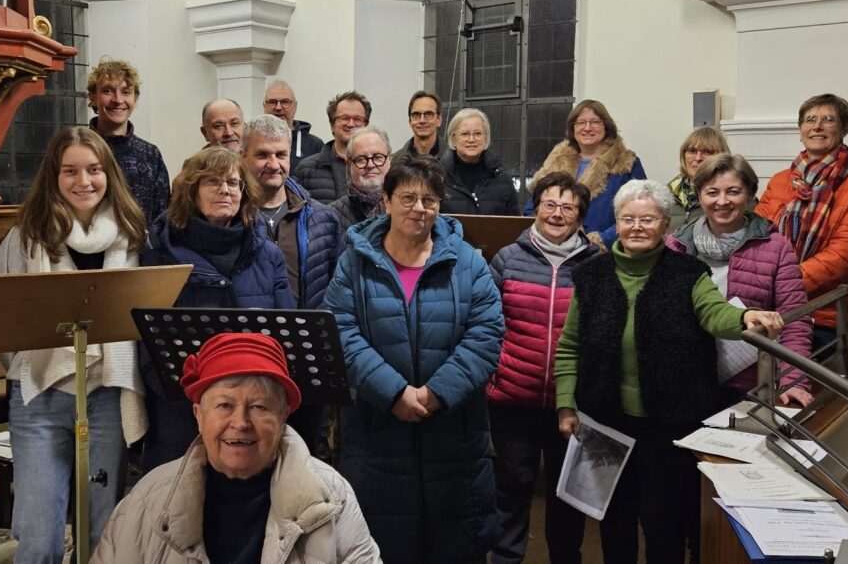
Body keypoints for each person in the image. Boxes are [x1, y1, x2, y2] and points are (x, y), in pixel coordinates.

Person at [553, 180, 785, 564]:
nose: (637, 227)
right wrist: (565, 404)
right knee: (614, 520)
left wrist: (745, 317)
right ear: (617, 223)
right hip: (606, 421)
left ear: (665, 224)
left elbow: (715, 312)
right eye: (628, 219)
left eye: (648, 218)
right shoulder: (591, 275)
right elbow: (570, 346)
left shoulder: (687, 272)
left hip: (669, 425)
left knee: (665, 525)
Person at [324, 155, 505, 564]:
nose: (419, 208)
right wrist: (393, 393)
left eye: (429, 199)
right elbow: (341, 331)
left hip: (454, 433)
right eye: (407, 197)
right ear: (385, 201)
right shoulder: (354, 262)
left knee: (455, 544)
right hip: (376, 433)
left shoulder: (468, 261)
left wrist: (437, 394)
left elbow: (487, 334)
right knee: (384, 546)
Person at [0, 127, 148, 562]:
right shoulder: (26, 235)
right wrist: (30, 363)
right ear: (53, 177)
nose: (84, 181)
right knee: (38, 535)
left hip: (106, 393)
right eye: (70, 171)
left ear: (108, 174)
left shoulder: (130, 232)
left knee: (104, 528)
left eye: (94, 170)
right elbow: (4, 323)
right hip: (42, 394)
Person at [90, 333, 382, 563]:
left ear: (283, 418)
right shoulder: (148, 499)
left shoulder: (331, 497)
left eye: (259, 407)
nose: (240, 422)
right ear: (198, 415)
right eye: (224, 405)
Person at [140, 146, 296, 471]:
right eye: (213, 181)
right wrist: (184, 393)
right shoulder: (160, 253)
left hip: (251, 407)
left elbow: (286, 334)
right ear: (191, 191)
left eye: (234, 183)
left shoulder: (267, 254)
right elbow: (147, 340)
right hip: (181, 405)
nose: (226, 190)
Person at [487, 172, 598, 564]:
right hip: (513, 398)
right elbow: (488, 324)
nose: (557, 213)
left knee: (566, 495)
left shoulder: (596, 265)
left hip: (571, 405)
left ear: (581, 216)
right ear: (535, 209)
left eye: (568, 207)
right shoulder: (508, 258)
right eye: (549, 204)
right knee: (511, 488)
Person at [666, 153, 814, 407]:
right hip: (685, 379)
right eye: (712, 192)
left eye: (733, 192)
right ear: (699, 195)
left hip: (750, 384)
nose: (722, 201)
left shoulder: (776, 247)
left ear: (749, 194)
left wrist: (794, 380)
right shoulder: (677, 244)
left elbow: (794, 320)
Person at [240, 114, 345, 455]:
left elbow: (337, 291)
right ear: (243, 156)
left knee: (305, 460)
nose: (274, 164)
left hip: (304, 365)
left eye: (281, 155)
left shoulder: (323, 218)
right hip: (248, 365)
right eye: (262, 155)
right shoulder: (228, 219)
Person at [754, 93, 848, 357]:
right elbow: (756, 236)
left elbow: (845, 256)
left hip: (820, 314)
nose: (817, 126)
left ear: (844, 128)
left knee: (771, 366)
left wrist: (781, 285)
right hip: (762, 302)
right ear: (800, 130)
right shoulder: (780, 180)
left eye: (828, 119)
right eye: (810, 119)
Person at [530, 99, 647, 247]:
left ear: (607, 126)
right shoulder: (555, 161)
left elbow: (640, 212)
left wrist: (601, 240)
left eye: (595, 122)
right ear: (572, 128)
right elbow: (532, 207)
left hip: (606, 253)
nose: (587, 128)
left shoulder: (627, 163)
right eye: (580, 122)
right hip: (553, 248)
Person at [87, 57, 170, 223]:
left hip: (141, 247)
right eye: (108, 91)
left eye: (126, 92)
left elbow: (163, 215)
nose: (118, 100)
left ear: (135, 99)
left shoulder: (150, 154)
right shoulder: (77, 149)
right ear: (93, 97)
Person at [295, 90, 372, 204]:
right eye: (344, 118)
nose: (351, 124)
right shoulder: (306, 169)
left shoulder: (377, 167)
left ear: (366, 125)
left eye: (357, 119)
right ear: (332, 125)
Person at [439, 107, 519, 215]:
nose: (471, 139)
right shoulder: (438, 178)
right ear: (453, 139)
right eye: (465, 134)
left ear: (486, 138)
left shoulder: (503, 180)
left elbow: (514, 225)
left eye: (477, 133)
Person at [668, 126, 730, 230]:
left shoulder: (734, 194)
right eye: (692, 151)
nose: (698, 158)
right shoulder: (667, 193)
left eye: (708, 152)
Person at [331, 126, 390, 229]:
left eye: (378, 157)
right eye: (361, 159)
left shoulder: (407, 208)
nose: (370, 165)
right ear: (349, 165)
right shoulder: (330, 216)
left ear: (390, 159)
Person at [264, 80, 324, 169]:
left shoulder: (314, 145)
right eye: (272, 102)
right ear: (264, 106)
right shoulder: (252, 141)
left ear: (295, 106)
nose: (278, 107)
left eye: (285, 102)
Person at [393, 90, 443, 160]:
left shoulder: (452, 159)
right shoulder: (396, 160)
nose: (422, 120)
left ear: (439, 120)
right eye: (416, 115)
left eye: (428, 114)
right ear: (410, 121)